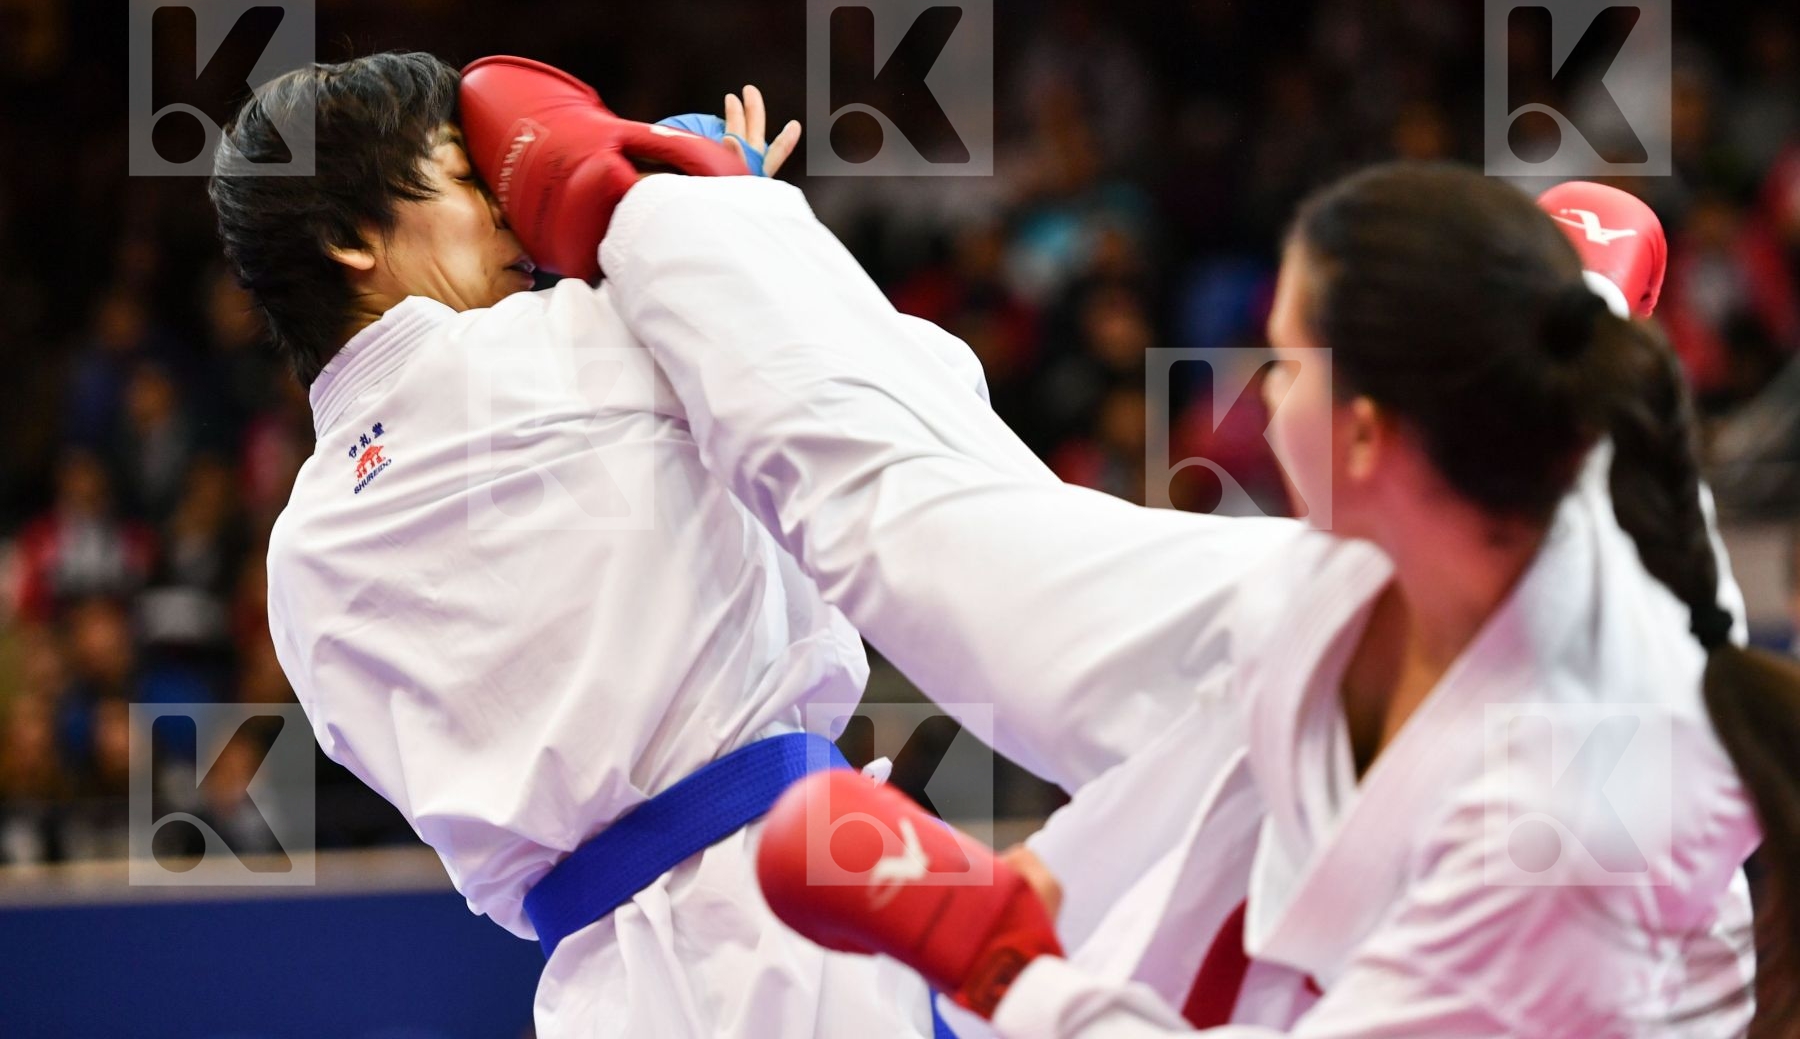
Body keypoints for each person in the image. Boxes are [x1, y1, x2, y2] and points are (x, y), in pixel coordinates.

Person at [572, 163, 1799, 1036]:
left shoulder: (1564, 825)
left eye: (1288, 360)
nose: (1257, 397)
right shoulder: (1367, 581)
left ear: (1368, 435)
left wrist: (992, 958)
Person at [208, 50, 959, 1039]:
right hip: (793, 924)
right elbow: (920, 390)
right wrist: (724, 225)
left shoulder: (298, 562)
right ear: (352, 238)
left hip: (598, 990)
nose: (511, 215)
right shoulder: (569, 341)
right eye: (472, 182)